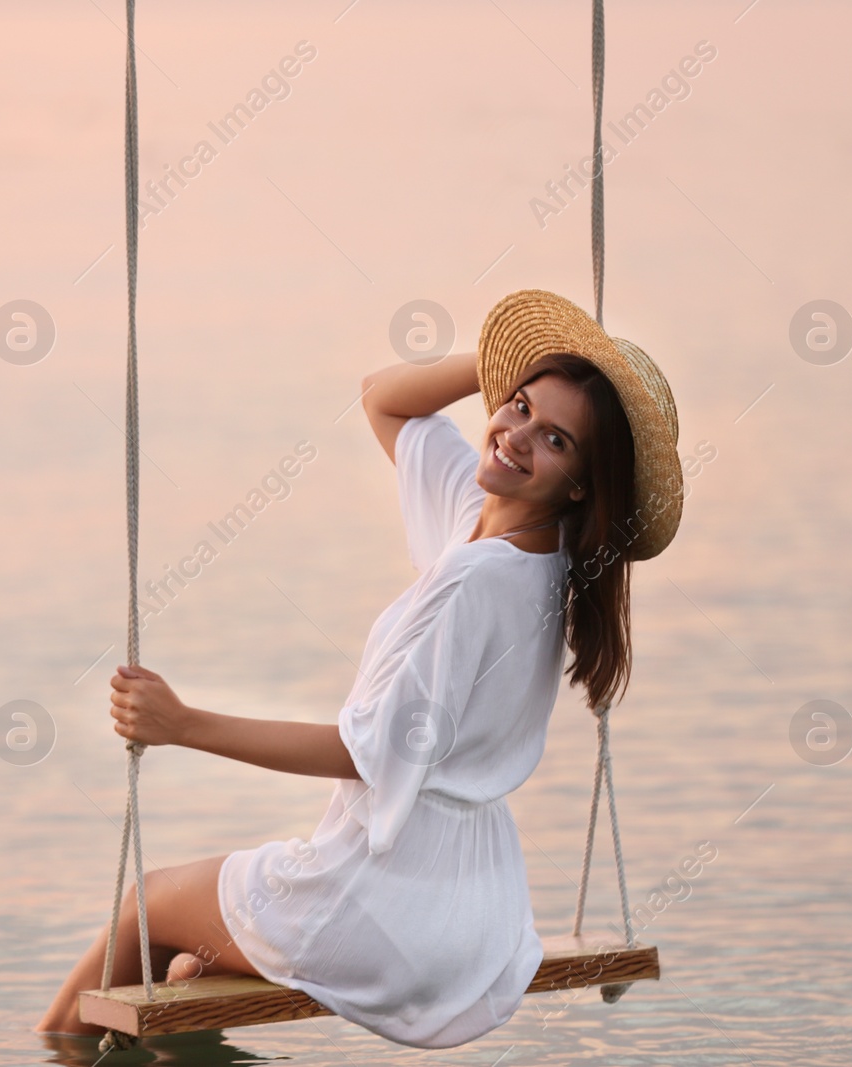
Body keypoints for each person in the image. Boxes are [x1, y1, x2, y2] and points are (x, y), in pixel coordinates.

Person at [35, 289, 684, 1047]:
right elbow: (383, 400)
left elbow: (362, 751)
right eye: (517, 406)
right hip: (476, 912)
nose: (514, 436)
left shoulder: (476, 586)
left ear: (578, 483)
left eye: (555, 440)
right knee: (186, 975)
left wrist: (183, 724)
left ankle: (49, 1051)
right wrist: (502, 364)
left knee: (140, 911)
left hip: (389, 908)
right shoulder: (513, 540)